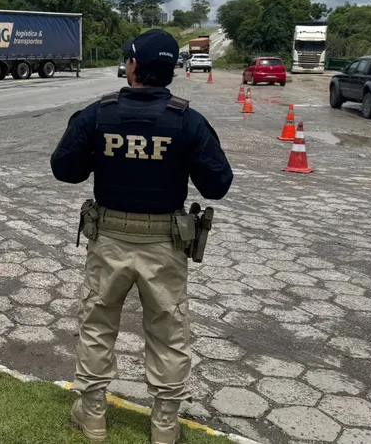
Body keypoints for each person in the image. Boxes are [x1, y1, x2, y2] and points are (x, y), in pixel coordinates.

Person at [49, 28, 233, 444]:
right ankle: (164, 425)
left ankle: (93, 415)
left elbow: (63, 169)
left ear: (132, 65)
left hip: (109, 238)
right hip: (165, 244)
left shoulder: (98, 114)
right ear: (170, 70)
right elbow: (217, 184)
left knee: (97, 323)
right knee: (169, 330)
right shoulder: (187, 120)